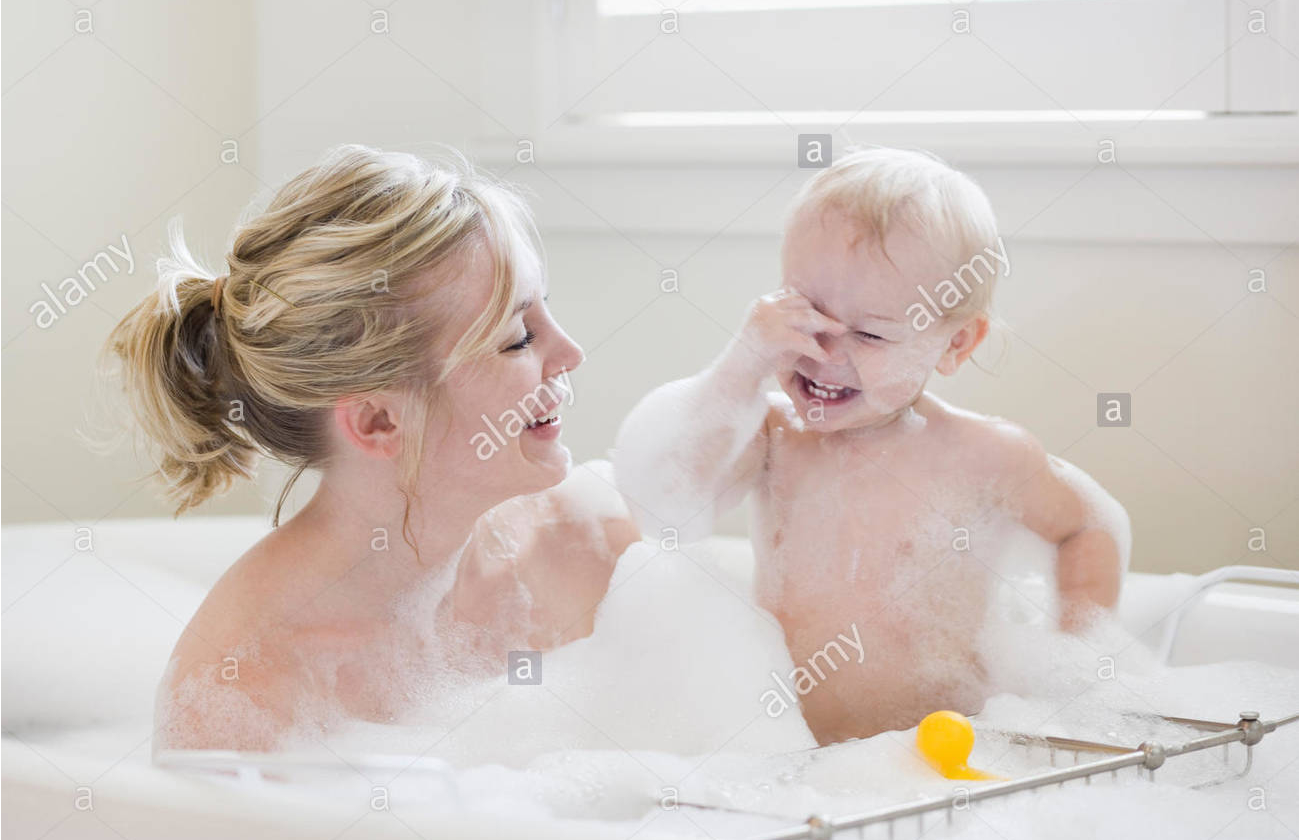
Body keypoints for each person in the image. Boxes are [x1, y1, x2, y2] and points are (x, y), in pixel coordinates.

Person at [105, 144, 638, 753]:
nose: (571, 353)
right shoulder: (245, 695)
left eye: (547, 310)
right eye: (518, 338)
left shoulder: (576, 537)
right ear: (380, 421)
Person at [613, 146, 1129, 744]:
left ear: (956, 344)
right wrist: (742, 366)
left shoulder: (988, 455)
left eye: (869, 333)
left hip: (939, 761)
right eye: (805, 313)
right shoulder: (776, 438)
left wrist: (1077, 670)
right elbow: (664, 496)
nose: (826, 353)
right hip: (795, 759)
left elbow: (1085, 528)